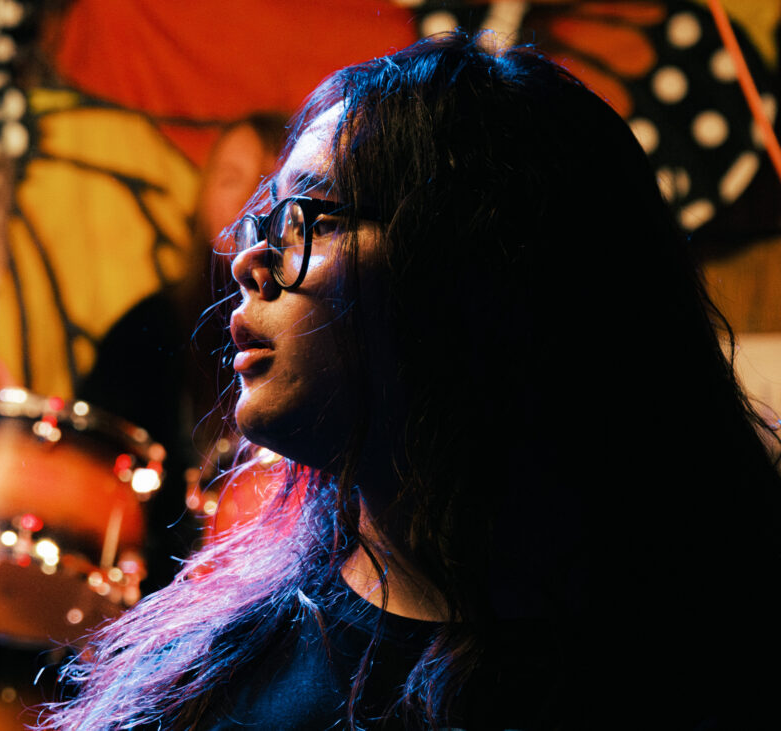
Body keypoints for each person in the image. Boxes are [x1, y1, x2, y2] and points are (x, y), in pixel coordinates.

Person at [43, 31, 780, 730]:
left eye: (311, 219)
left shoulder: (726, 666)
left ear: (478, 270)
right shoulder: (203, 688)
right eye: (264, 224)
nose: (248, 262)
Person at [76, 113, 287, 592]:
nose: (249, 201)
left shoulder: (322, 331)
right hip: (158, 594)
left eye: (268, 183)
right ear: (202, 196)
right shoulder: (149, 328)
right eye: (230, 180)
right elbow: (93, 467)